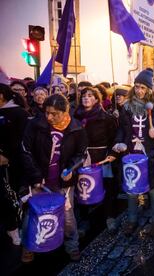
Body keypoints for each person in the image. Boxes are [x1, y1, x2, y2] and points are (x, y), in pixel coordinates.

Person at [21, 94, 87, 262]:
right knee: (32, 214)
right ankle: (28, 246)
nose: (49, 117)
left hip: (63, 181)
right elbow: (25, 151)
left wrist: (71, 168)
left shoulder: (77, 128)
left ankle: (72, 246)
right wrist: (35, 175)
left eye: (54, 113)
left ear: (65, 112)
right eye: (47, 112)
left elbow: (81, 154)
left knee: (68, 215)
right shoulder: (36, 124)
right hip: (39, 178)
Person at [113, 68, 154, 236]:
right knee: (131, 188)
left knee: (153, 189)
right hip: (131, 153)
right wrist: (119, 143)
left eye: (143, 87)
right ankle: (131, 220)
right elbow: (122, 130)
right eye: (137, 87)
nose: (139, 91)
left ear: (149, 90)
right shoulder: (127, 108)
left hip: (150, 154)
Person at [74, 87, 118, 233]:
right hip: (82, 157)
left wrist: (112, 153)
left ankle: (110, 217)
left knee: (107, 186)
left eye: (90, 96)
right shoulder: (76, 117)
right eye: (84, 96)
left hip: (102, 156)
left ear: (96, 99)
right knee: (84, 187)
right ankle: (85, 220)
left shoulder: (106, 118)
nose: (86, 98)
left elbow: (113, 138)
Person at [0, 84, 30, 246]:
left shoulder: (18, 113)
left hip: (13, 163)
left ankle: (15, 227)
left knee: (10, 196)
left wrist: (7, 156)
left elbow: (21, 141)